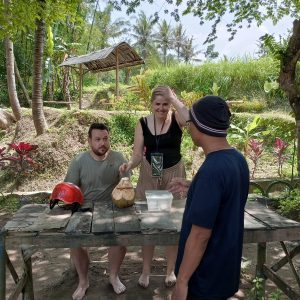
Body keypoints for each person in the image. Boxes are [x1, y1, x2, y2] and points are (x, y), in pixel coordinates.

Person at [169, 96, 249, 300]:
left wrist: (182, 281)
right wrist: (195, 187)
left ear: (200, 127)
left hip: (204, 278)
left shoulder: (211, 171)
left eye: (191, 122)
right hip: (225, 271)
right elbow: (226, 199)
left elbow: (200, 236)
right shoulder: (238, 160)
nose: (188, 127)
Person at [119, 86, 190, 288]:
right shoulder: (142, 123)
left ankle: (170, 271)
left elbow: (189, 118)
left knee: (173, 223)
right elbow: (136, 154)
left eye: (165, 104)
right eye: (157, 104)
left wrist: (174, 98)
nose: (161, 108)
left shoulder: (177, 118)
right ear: (151, 104)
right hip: (149, 172)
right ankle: (146, 271)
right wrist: (129, 165)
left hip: (174, 174)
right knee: (147, 223)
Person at [64, 123, 129, 300]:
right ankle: (83, 281)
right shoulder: (79, 160)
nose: (102, 143)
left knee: (120, 239)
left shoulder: (118, 158)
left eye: (105, 139)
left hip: (112, 207)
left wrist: (124, 174)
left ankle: (113, 276)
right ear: (89, 141)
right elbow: (69, 188)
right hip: (85, 208)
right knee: (76, 241)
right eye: (98, 139)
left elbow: (126, 186)